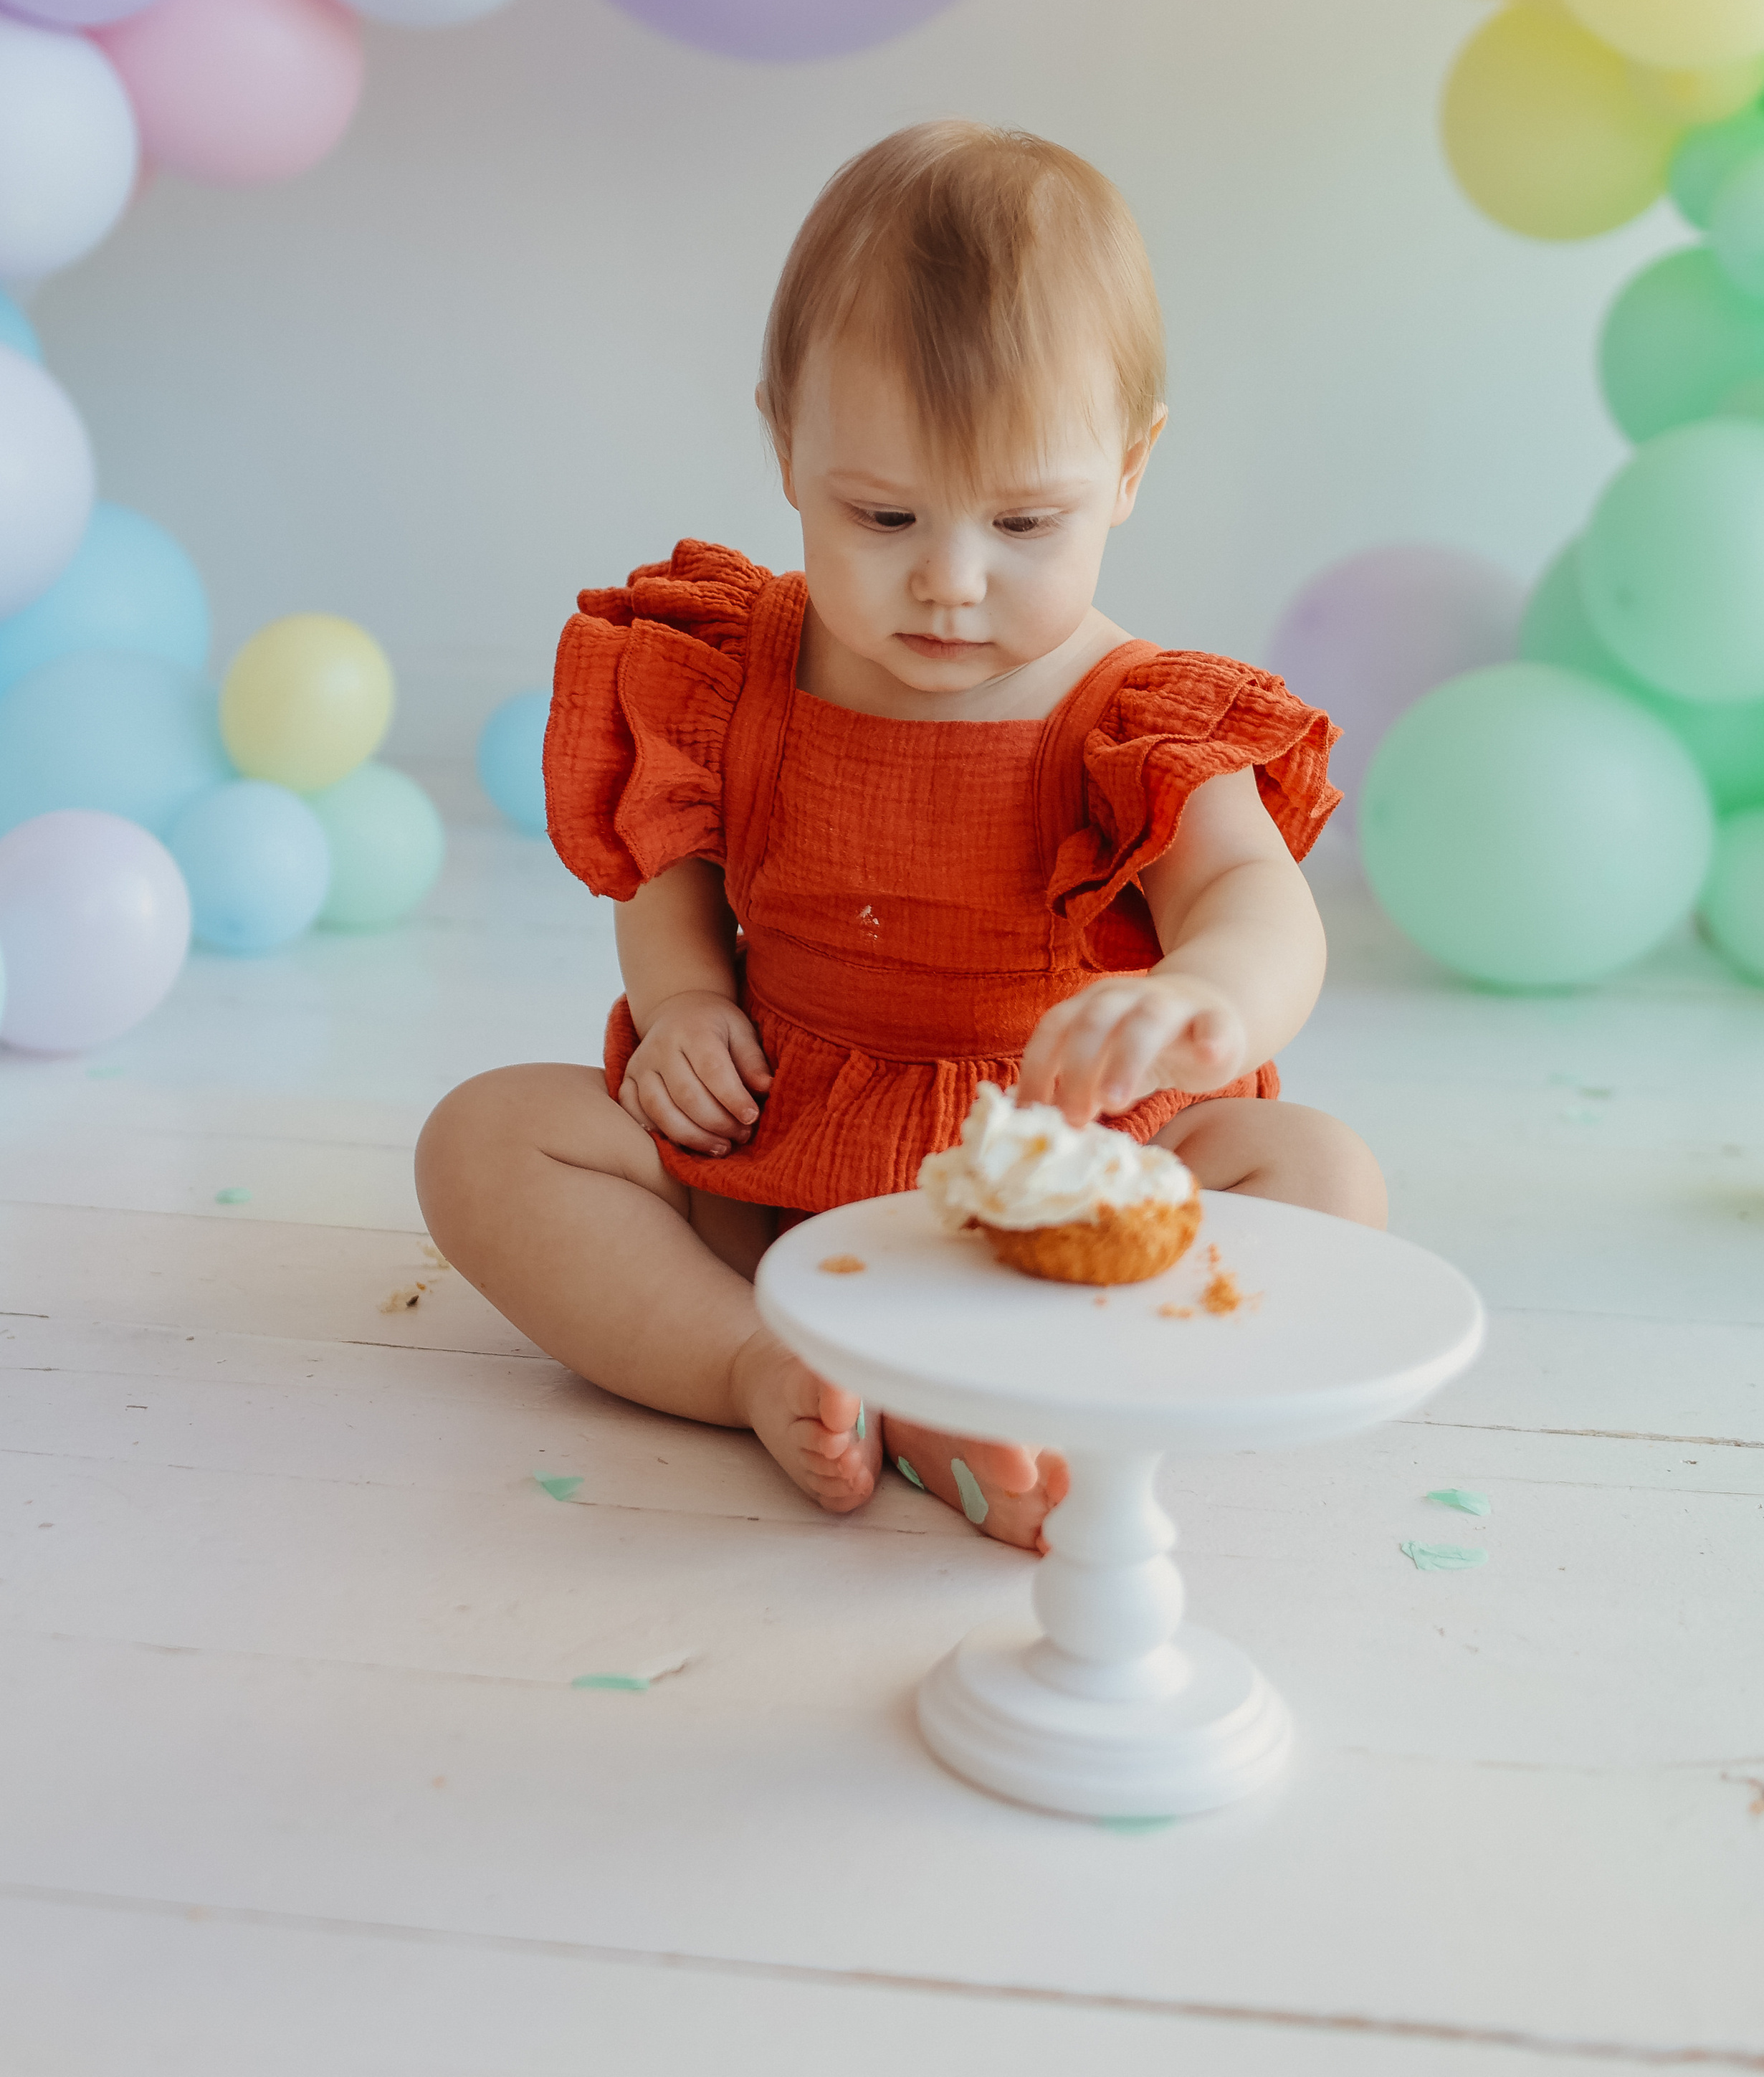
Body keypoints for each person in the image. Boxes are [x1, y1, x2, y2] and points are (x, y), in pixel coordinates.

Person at [417, 123, 1384, 1553]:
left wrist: (1202, 999)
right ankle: (751, 1358)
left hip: (1054, 1174)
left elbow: (1252, 894)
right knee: (487, 1140)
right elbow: (666, 872)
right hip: (773, 1152)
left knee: (1316, 1179)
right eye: (880, 513)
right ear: (786, 447)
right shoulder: (731, 667)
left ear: (1126, 471)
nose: (947, 581)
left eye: (1021, 521)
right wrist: (685, 1003)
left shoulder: (1135, 717)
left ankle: (1026, 1390)